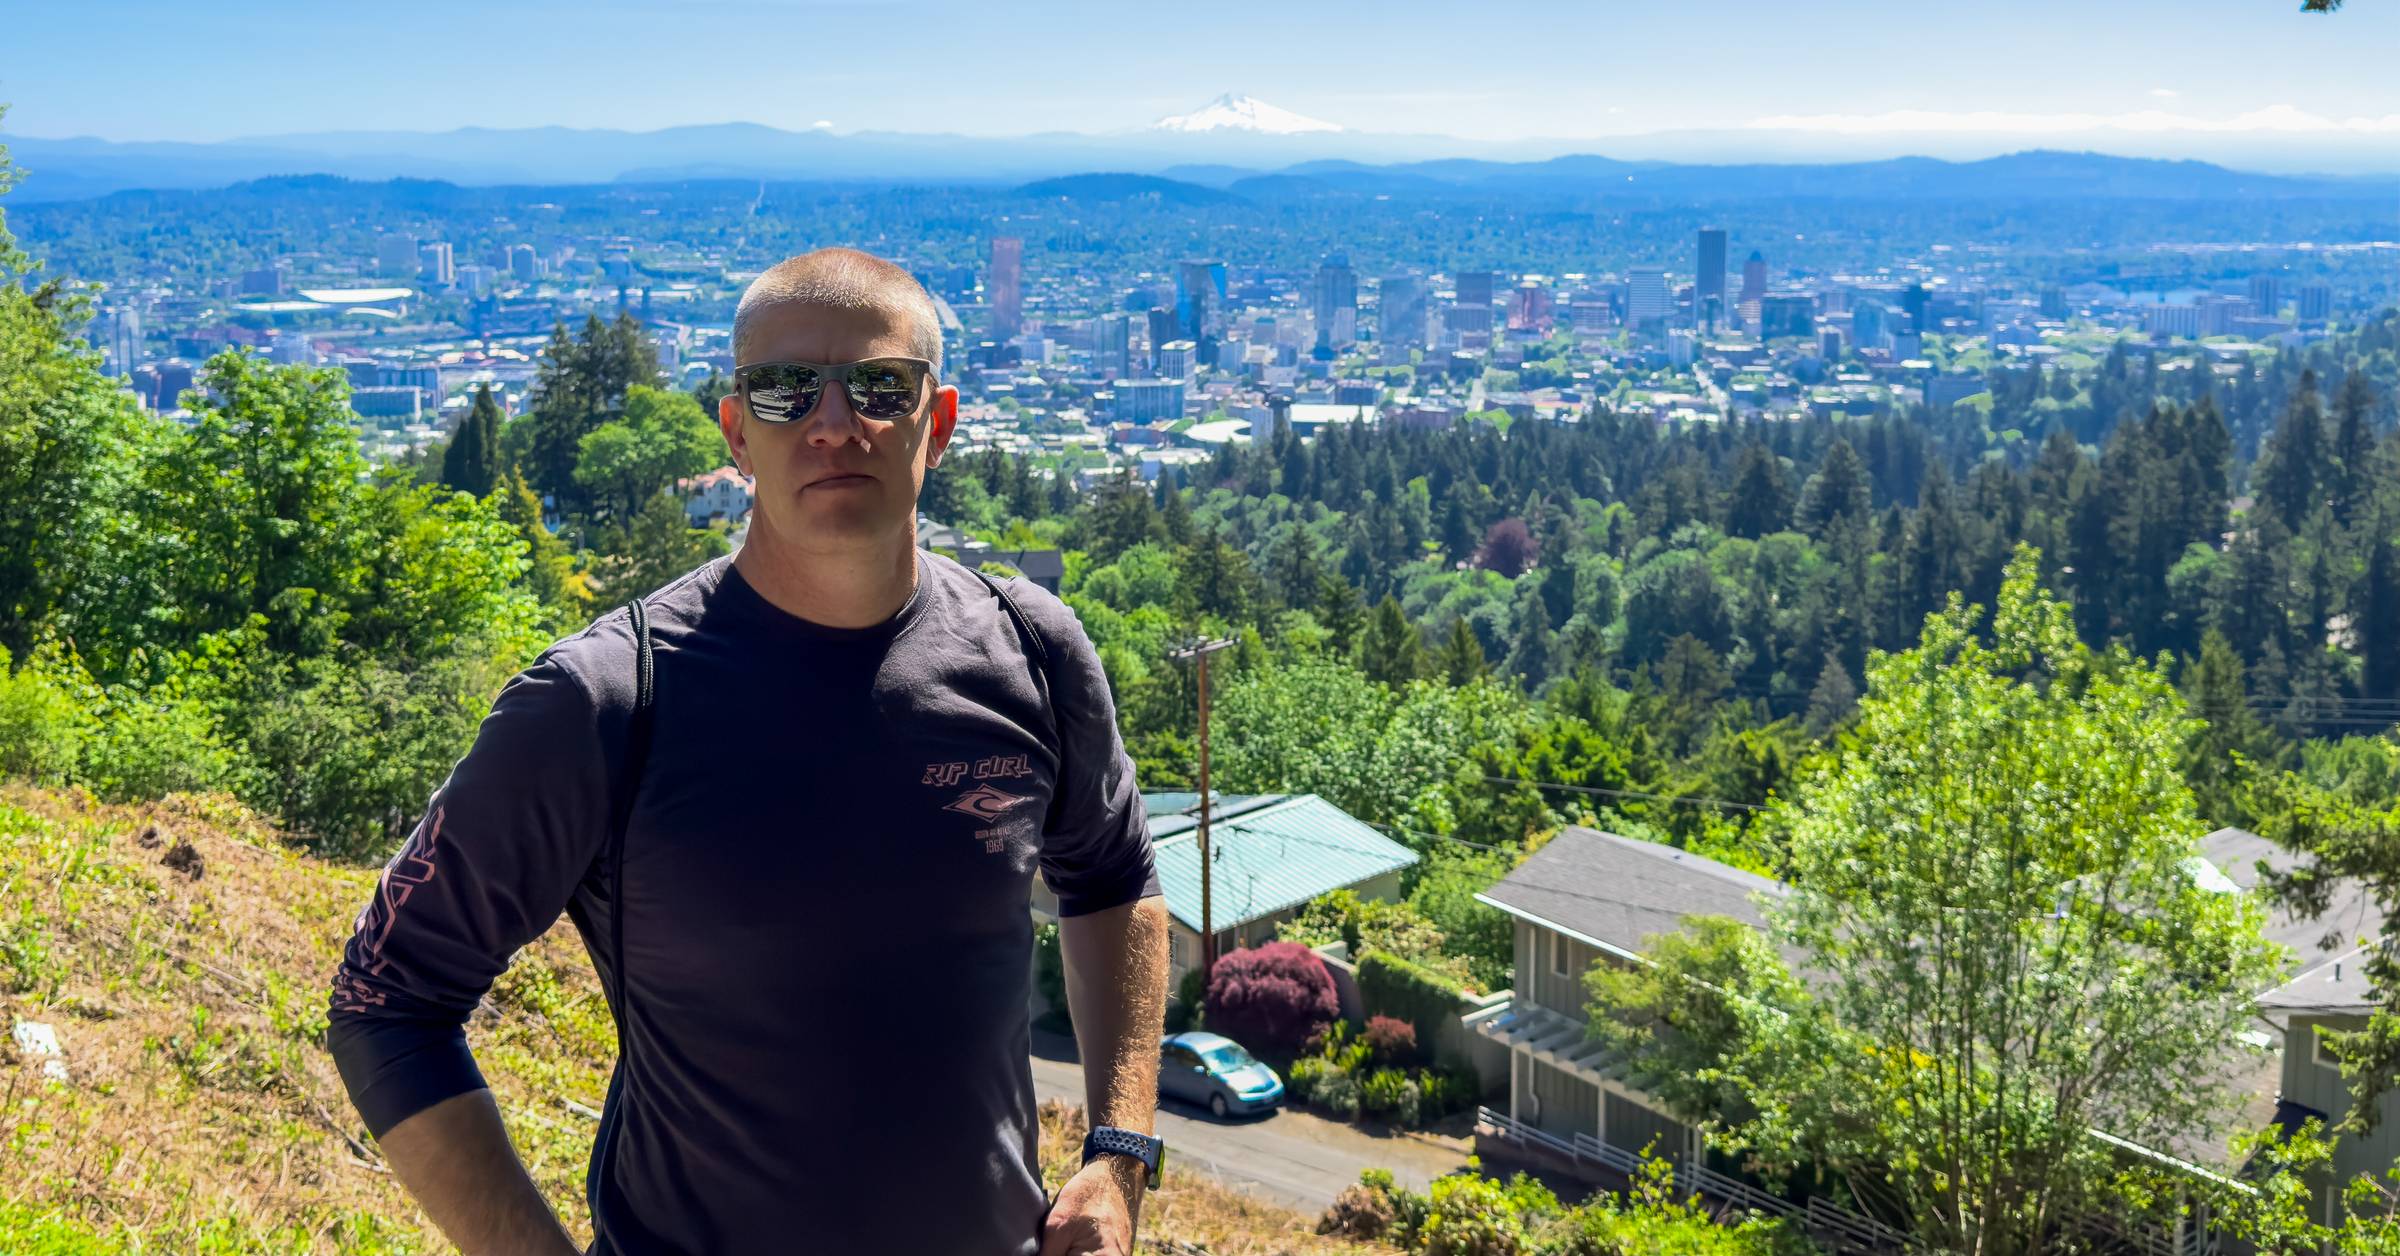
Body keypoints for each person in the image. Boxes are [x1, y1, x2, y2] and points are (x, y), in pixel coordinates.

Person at [326, 247, 1171, 1255]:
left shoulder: (1033, 650)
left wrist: (1119, 1154)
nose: (831, 422)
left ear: (936, 424)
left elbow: (1116, 882)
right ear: (736, 432)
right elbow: (386, 1001)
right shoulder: (605, 699)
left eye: (878, 386)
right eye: (783, 389)